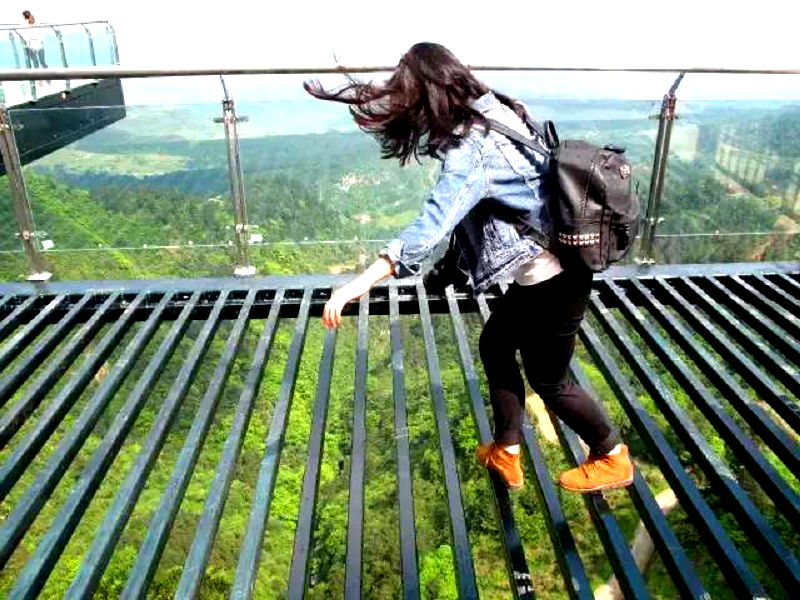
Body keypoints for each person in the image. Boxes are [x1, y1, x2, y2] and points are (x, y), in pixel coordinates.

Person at [307, 42, 634, 493]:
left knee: (550, 380)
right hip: (545, 266)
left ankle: (611, 454)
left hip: (555, 277)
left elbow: (430, 227)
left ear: (427, 94)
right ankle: (507, 448)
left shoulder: (471, 150)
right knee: (496, 344)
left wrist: (354, 286)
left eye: (408, 96)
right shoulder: (495, 106)